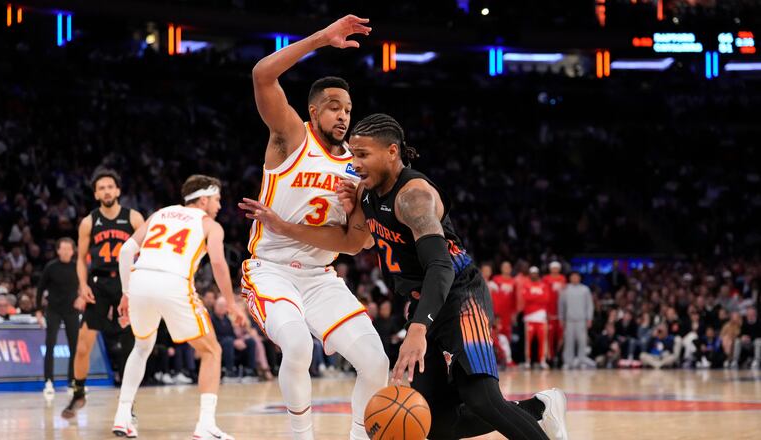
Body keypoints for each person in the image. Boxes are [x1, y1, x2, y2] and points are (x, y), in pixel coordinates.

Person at [245, 113, 568, 440]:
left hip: (459, 297)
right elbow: (355, 243)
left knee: (482, 397)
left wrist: (416, 329)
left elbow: (440, 267)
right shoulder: (368, 192)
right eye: (353, 154)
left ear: (392, 152)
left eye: (362, 155)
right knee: (436, 424)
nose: (354, 163)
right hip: (424, 303)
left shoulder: (414, 197)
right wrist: (326, 215)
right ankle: (539, 409)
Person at [239, 14, 388, 440]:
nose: (343, 116)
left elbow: (356, 244)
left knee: (376, 362)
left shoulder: (356, 169)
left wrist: (356, 206)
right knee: (299, 346)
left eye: (348, 110)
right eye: (335, 107)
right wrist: (323, 38)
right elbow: (262, 74)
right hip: (270, 268)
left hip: (321, 277)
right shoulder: (290, 136)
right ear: (313, 110)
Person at [114, 174, 247, 439]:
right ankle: (206, 425)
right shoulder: (210, 225)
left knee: (141, 347)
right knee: (211, 350)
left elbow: (126, 251)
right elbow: (219, 264)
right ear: (205, 198)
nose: (219, 206)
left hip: (139, 278)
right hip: (173, 282)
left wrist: (126, 293)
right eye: (217, 199)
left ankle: (122, 417)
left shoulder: (160, 214)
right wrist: (231, 304)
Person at [62, 168, 145, 419]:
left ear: (118, 190)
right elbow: (80, 259)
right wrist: (83, 285)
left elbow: (146, 253)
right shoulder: (89, 221)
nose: (107, 191)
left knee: (131, 346)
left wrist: (133, 287)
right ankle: (78, 393)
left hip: (127, 284)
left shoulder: (134, 218)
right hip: (98, 285)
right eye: (102, 188)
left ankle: (127, 401)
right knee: (83, 345)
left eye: (111, 186)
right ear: (96, 194)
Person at [35, 237, 80, 397]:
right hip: (53, 310)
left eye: (69, 249)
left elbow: (85, 286)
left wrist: (82, 299)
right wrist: (39, 311)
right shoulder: (51, 267)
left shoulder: (77, 267)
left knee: (75, 346)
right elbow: (40, 289)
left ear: (73, 251)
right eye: (64, 249)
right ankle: (49, 381)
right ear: (58, 250)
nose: (67, 251)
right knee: (50, 344)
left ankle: (72, 381)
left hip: (72, 310)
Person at [559, 272, 595, 369]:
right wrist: (561, 318)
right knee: (568, 342)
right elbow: (561, 305)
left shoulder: (585, 290)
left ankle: (582, 360)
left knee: (582, 342)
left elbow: (589, 305)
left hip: (581, 320)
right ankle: (568, 362)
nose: (574, 278)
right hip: (569, 320)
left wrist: (589, 318)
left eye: (576, 277)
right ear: (570, 278)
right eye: (573, 277)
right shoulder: (565, 289)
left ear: (579, 278)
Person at [523, 266, 550, 369]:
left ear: (538, 274)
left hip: (541, 317)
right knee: (528, 341)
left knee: (542, 340)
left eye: (535, 273)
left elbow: (546, 298)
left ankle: (542, 360)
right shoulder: (526, 285)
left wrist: (533, 296)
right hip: (529, 317)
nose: (534, 275)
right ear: (530, 274)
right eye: (532, 273)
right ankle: (527, 361)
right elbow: (526, 297)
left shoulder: (544, 285)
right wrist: (538, 296)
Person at [543, 261, 566, 365]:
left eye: (557, 268)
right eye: (553, 268)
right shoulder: (546, 279)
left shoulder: (562, 279)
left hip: (560, 314)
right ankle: (550, 357)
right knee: (550, 337)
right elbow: (544, 296)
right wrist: (546, 312)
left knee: (561, 336)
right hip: (550, 313)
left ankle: (559, 356)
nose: (555, 269)